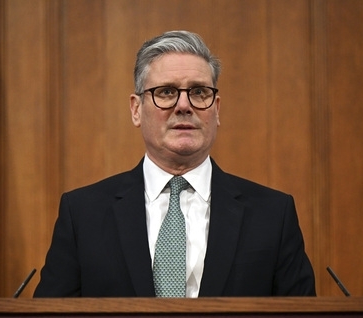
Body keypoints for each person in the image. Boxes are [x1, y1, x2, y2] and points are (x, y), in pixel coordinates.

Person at [33, 30, 315, 298]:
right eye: (166, 92)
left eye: (199, 92)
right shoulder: (83, 214)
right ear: (136, 109)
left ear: (216, 109)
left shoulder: (273, 215)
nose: (184, 105)